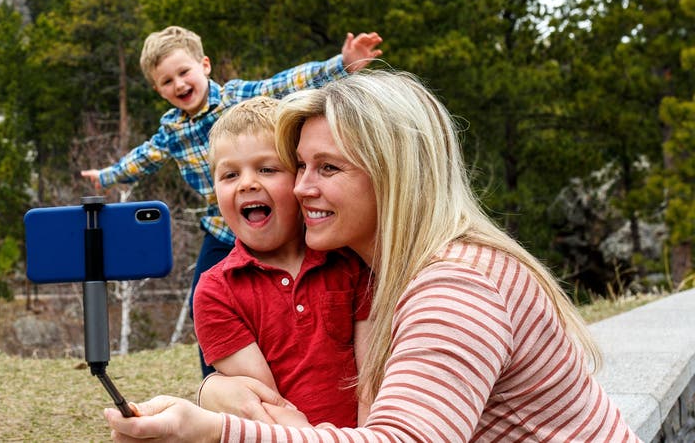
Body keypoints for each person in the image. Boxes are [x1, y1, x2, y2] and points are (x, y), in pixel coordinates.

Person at [104, 70, 641, 442]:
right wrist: (215, 389)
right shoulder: (404, 270)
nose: (302, 188)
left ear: (392, 175)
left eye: (327, 169)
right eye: (301, 166)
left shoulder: (455, 288)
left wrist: (210, 428)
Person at [81, 25, 383, 375]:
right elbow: (141, 159)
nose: (179, 85)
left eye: (184, 72)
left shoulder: (237, 99)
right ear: (157, 90)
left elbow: (285, 83)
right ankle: (217, 378)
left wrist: (341, 64)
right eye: (167, 82)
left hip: (279, 218)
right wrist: (105, 178)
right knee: (205, 301)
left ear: (204, 65)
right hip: (220, 227)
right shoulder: (171, 132)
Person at [197, 97, 371, 427]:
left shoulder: (349, 260)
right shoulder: (215, 291)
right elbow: (264, 405)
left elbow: (371, 380)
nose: (247, 183)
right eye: (230, 174)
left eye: (267, 169)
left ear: (299, 182)